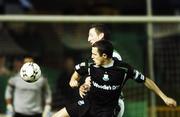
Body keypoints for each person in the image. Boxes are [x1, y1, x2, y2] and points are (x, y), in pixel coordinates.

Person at [52, 40, 177, 117]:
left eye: (94, 54)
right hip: (87, 104)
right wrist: (73, 81)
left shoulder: (123, 69)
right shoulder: (90, 65)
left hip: (105, 113)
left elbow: (146, 80)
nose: (92, 56)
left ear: (105, 56)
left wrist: (164, 97)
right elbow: (76, 73)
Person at [87, 23, 124, 117]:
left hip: (111, 106)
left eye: (91, 35)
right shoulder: (96, 56)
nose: (88, 39)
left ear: (101, 35)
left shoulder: (114, 57)